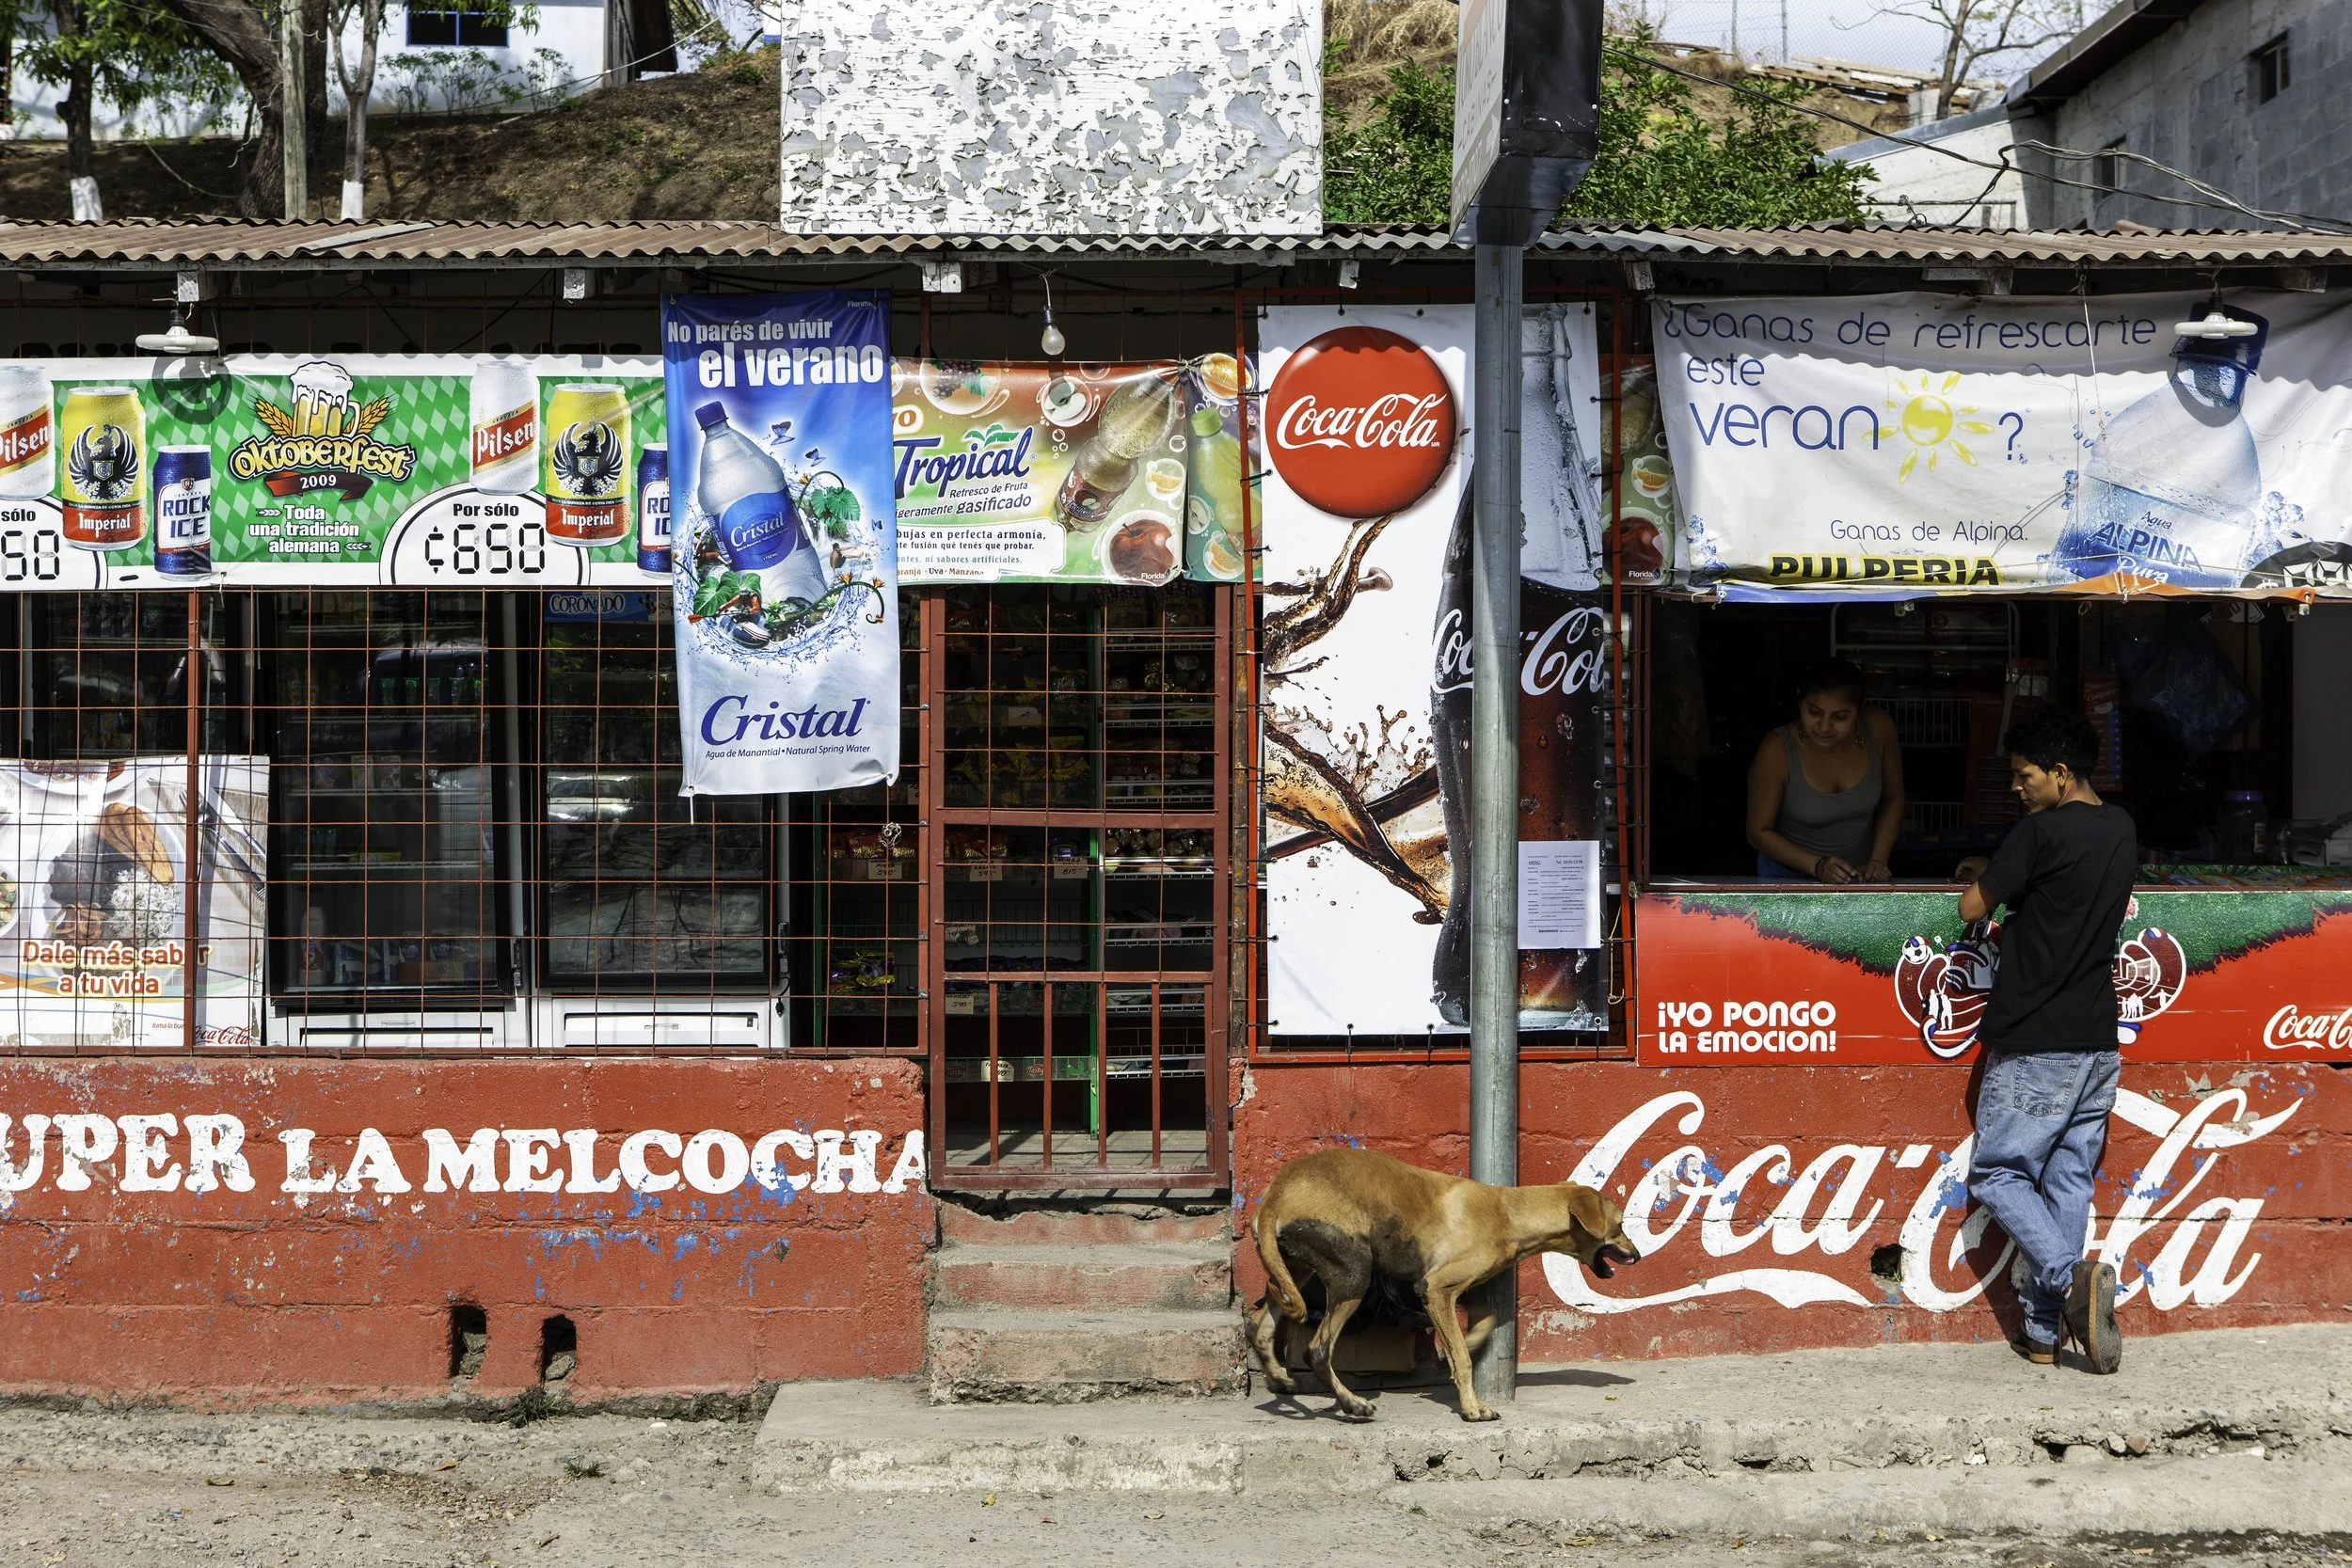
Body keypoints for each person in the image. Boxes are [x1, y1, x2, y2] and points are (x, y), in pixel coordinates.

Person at [1951, 705, 2136, 1374]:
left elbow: (1973, 906)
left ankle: (2068, 1273)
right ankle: (2042, 1332)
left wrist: (1991, 870)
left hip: (2035, 1043)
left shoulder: (2038, 834)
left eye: (2026, 775)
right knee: (2068, 1181)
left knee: (2000, 1173)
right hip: (2097, 1043)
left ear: (2060, 773)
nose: (2018, 788)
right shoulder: (2121, 827)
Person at [1745, 658, 1904, 882]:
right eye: (1814, 712)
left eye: (1840, 717)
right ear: (1799, 701)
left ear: (1858, 709)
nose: (1824, 726)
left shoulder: (1878, 728)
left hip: (1860, 876)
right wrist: (1817, 866)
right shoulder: (1777, 749)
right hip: (1788, 876)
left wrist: (1878, 860)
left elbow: (1893, 797)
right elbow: (1757, 832)